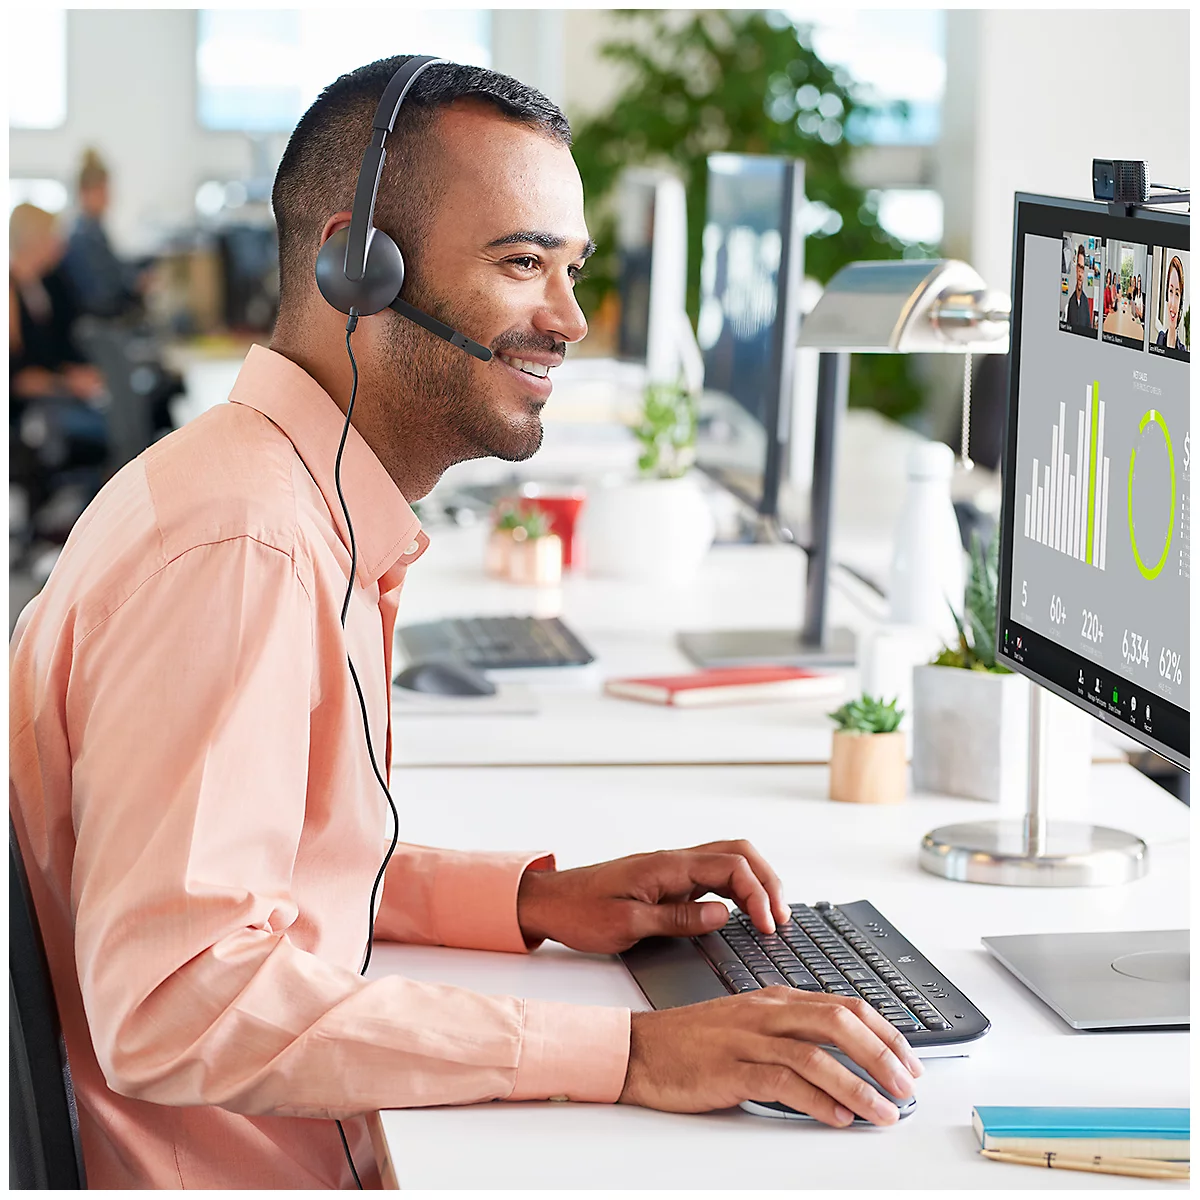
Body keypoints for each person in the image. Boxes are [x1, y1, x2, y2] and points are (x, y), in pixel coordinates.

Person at [9, 58, 922, 1191]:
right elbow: (177, 996)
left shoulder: (284, 503)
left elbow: (259, 869)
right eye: (521, 262)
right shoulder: (244, 549)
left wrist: (533, 900)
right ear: (360, 269)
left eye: (571, 267)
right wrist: (626, 1052)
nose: (571, 319)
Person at [9, 203, 109, 532]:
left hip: (50, 397)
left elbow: (48, 358)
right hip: (24, 412)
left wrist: (72, 374)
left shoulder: (41, 287)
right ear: (34, 240)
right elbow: (17, 379)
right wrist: (67, 384)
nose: (61, 246)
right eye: (53, 238)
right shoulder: (9, 293)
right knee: (108, 432)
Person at [61, 148, 147, 319]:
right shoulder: (82, 237)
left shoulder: (97, 230)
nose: (108, 197)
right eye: (102, 191)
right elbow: (100, 294)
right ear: (84, 194)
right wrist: (133, 285)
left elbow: (114, 267)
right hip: (97, 325)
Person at [1155, 255, 1188, 358]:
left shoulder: (1183, 351)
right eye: (1170, 291)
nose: (1173, 303)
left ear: (1181, 303)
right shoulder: (1160, 338)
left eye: (1177, 294)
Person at [1064, 243, 1092, 330]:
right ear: (1076, 269)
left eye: (1082, 269)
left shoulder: (1086, 302)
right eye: (1079, 268)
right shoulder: (1071, 302)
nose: (1080, 274)